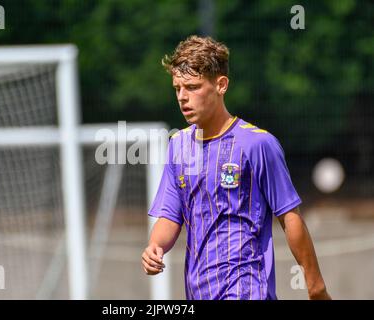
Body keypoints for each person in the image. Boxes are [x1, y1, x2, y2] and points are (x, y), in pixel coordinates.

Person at [141, 35, 331, 300]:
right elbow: (171, 216)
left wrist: (316, 286)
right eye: (177, 88)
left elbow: (289, 216)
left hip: (247, 288)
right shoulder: (178, 146)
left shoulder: (258, 144)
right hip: (198, 290)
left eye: (192, 87)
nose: (183, 97)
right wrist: (155, 247)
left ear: (221, 85)